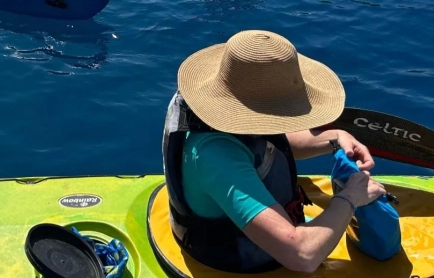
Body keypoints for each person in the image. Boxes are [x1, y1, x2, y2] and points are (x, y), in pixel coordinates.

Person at [162, 30, 386, 273]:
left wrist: (333, 138)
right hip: (234, 256)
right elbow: (302, 256)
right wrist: (350, 197)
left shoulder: (213, 108)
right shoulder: (216, 156)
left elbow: (271, 141)